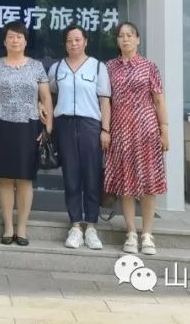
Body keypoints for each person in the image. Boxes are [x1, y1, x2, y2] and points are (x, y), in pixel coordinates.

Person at [0, 20, 53, 246]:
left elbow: (45, 98)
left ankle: (22, 227)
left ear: (25, 41)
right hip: (0, 125)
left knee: (25, 179)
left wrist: (48, 128)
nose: (15, 40)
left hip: (28, 126)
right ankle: (8, 226)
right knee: (4, 179)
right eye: (11, 37)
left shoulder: (36, 66)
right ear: (4, 42)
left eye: (19, 37)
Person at [104, 21, 168, 255]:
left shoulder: (149, 67)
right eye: (121, 35)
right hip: (121, 130)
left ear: (138, 39)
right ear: (117, 41)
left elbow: (158, 99)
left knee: (149, 183)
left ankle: (148, 233)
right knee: (126, 183)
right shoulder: (109, 67)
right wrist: (106, 129)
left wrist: (164, 129)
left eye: (130, 35)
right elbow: (106, 100)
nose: (125, 39)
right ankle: (131, 232)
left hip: (147, 130)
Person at [48, 23, 111, 250]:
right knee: (71, 175)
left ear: (85, 42)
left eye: (77, 39)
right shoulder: (56, 68)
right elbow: (49, 96)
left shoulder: (97, 67)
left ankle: (91, 227)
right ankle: (75, 225)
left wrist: (105, 130)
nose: (73, 44)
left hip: (90, 126)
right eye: (69, 40)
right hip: (64, 125)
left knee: (91, 176)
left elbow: (105, 100)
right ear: (64, 44)